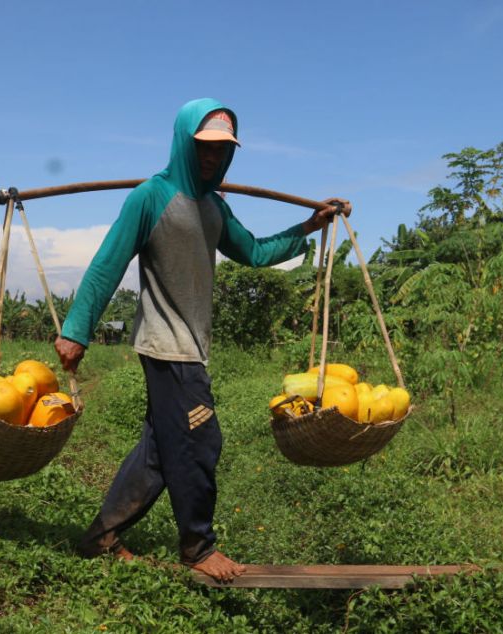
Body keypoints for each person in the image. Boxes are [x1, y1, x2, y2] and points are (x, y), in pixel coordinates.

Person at [54, 98, 347, 582]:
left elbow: (253, 251)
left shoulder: (214, 207)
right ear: (184, 143)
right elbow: (109, 261)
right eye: (204, 148)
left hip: (192, 345)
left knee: (161, 448)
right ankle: (197, 546)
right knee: (200, 441)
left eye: (223, 151)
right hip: (167, 347)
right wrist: (77, 328)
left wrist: (309, 228)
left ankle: (100, 538)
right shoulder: (151, 196)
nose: (213, 158)